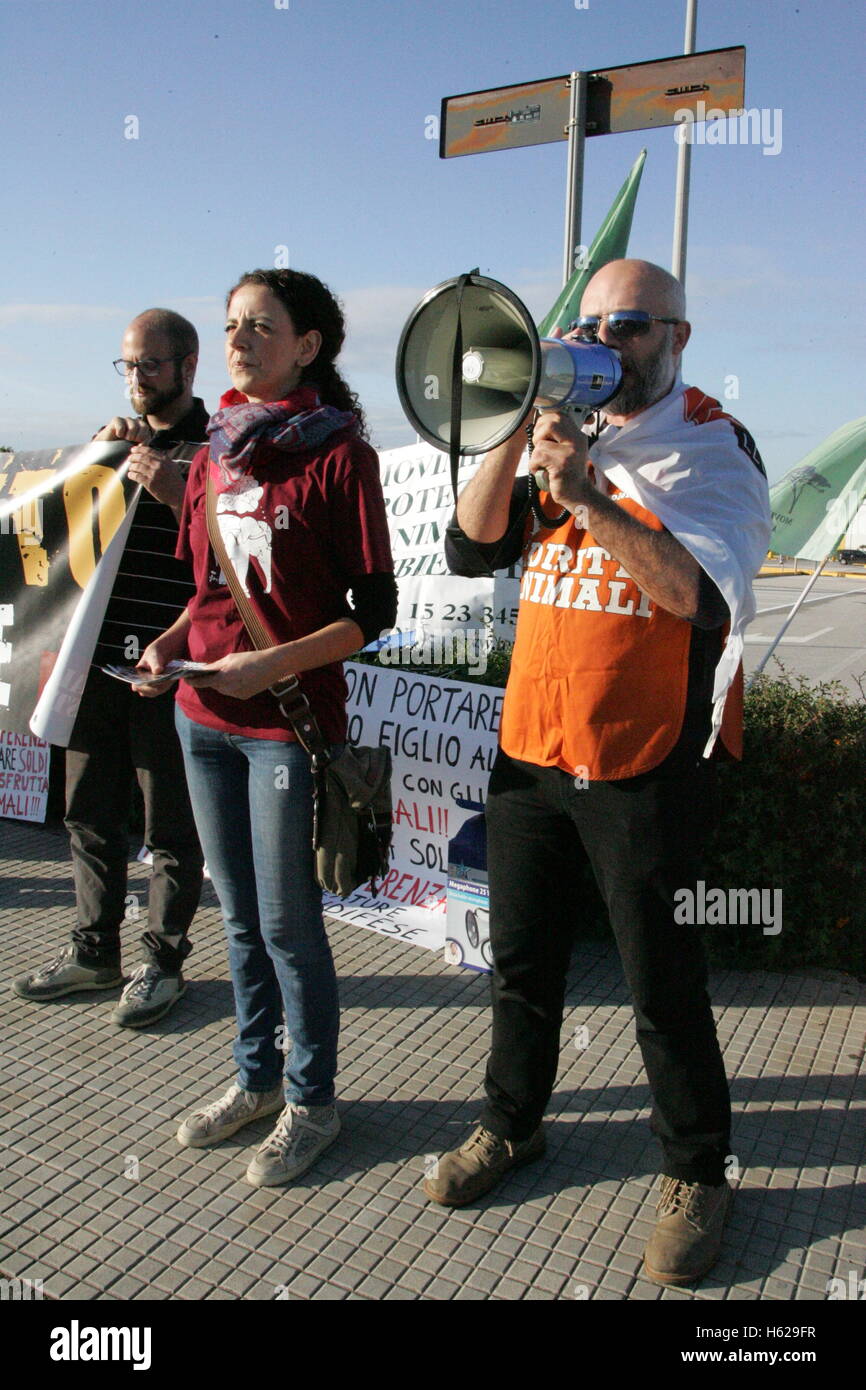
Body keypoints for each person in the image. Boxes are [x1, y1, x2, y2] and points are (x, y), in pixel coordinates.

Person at [423, 259, 771, 1287]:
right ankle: (509, 1123)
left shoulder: (712, 445)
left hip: (646, 757)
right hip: (533, 745)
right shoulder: (561, 437)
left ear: (676, 336)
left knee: (661, 983)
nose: (603, 343)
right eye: (587, 324)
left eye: (627, 327)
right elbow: (467, 546)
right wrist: (508, 434)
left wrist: (590, 499)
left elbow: (697, 599)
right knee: (520, 963)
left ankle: (697, 1172)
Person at [136, 269, 396, 1187]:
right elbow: (205, 594)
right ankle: (254, 1081)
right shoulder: (213, 451)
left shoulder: (338, 456)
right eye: (232, 324)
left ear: (309, 346)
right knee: (238, 920)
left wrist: (273, 666)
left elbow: (374, 614)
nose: (241, 340)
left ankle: (312, 1103)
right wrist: (167, 649)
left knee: (289, 926)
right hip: (200, 715)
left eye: (262, 326)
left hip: (286, 729)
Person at [14, 310, 208, 1027]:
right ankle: (94, 952)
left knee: (170, 828)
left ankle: (163, 964)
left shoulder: (218, 450)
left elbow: (233, 564)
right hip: (94, 663)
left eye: (149, 365)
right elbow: (57, 544)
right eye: (127, 366)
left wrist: (179, 493)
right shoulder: (113, 443)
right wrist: (87, 465)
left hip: (171, 670)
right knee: (88, 815)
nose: (136, 379)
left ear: (188, 366)